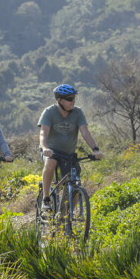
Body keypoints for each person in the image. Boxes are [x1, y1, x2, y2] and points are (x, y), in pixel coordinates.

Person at [38, 84, 103, 215]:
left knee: (75, 185)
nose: (73, 101)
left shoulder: (78, 112)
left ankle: (64, 215)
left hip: (68, 154)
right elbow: (43, 133)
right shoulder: (49, 112)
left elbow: (85, 132)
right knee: (50, 162)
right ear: (59, 100)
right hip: (51, 151)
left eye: (73, 98)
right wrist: (45, 148)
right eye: (69, 98)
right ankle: (46, 199)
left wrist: (95, 149)